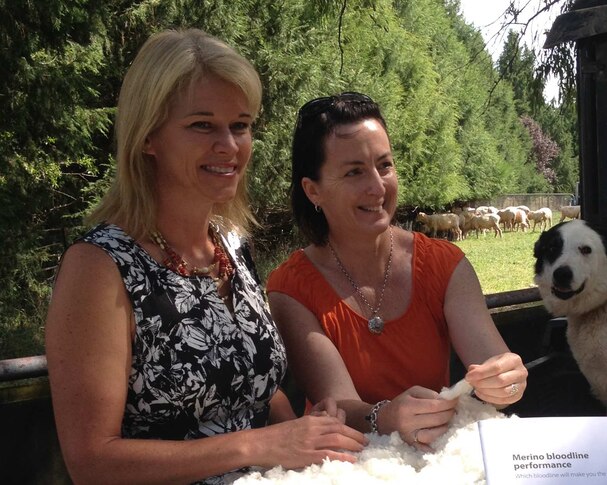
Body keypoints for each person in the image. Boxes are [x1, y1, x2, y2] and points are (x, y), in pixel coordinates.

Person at [44, 29, 366, 484]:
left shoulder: (232, 243)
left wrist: (306, 433)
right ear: (148, 136)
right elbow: (92, 462)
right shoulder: (99, 266)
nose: (230, 146)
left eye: (240, 124)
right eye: (202, 125)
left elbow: (255, 388)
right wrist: (257, 445)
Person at [266, 92, 529, 451]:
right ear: (313, 191)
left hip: (436, 459)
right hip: (348, 466)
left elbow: (495, 366)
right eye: (354, 171)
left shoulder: (444, 264)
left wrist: (507, 380)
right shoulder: (290, 288)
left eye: (384, 165)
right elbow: (337, 405)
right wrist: (387, 417)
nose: (377, 187)